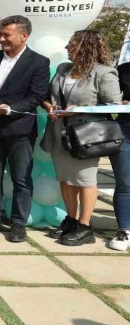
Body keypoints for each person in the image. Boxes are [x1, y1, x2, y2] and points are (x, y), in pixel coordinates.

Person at [0, 15, 50, 242]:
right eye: (0, 34)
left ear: (24, 36)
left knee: (21, 179)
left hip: (19, 130)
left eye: (6, 35)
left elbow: (35, 96)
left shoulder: (39, 62)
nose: (1, 39)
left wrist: (9, 108)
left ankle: (18, 223)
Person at [41, 30, 121, 246]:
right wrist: (50, 106)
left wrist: (80, 110)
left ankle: (86, 226)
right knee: (66, 178)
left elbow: (114, 106)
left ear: (86, 47)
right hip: (59, 132)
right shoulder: (63, 69)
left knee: (85, 180)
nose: (67, 47)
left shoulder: (104, 72)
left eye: (72, 44)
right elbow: (49, 97)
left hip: (87, 136)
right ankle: (72, 219)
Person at [109, 61, 130, 251]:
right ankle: (124, 229)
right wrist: (121, 103)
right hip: (125, 129)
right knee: (125, 182)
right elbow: (112, 100)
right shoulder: (122, 69)